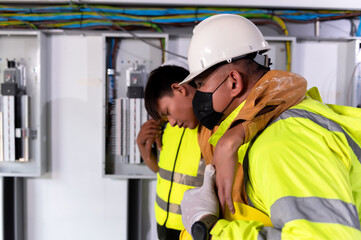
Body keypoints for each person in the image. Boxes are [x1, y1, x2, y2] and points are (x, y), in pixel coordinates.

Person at [180, 14, 361, 239]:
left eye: (200, 84)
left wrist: (212, 232)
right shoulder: (260, 129)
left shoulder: (281, 145)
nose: (198, 95)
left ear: (234, 82)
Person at [137, 61, 207, 240]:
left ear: (180, 89)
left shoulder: (210, 128)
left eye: (168, 111)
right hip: (164, 223)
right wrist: (143, 148)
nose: (172, 120)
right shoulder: (167, 127)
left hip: (195, 229)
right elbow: (163, 172)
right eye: (165, 115)